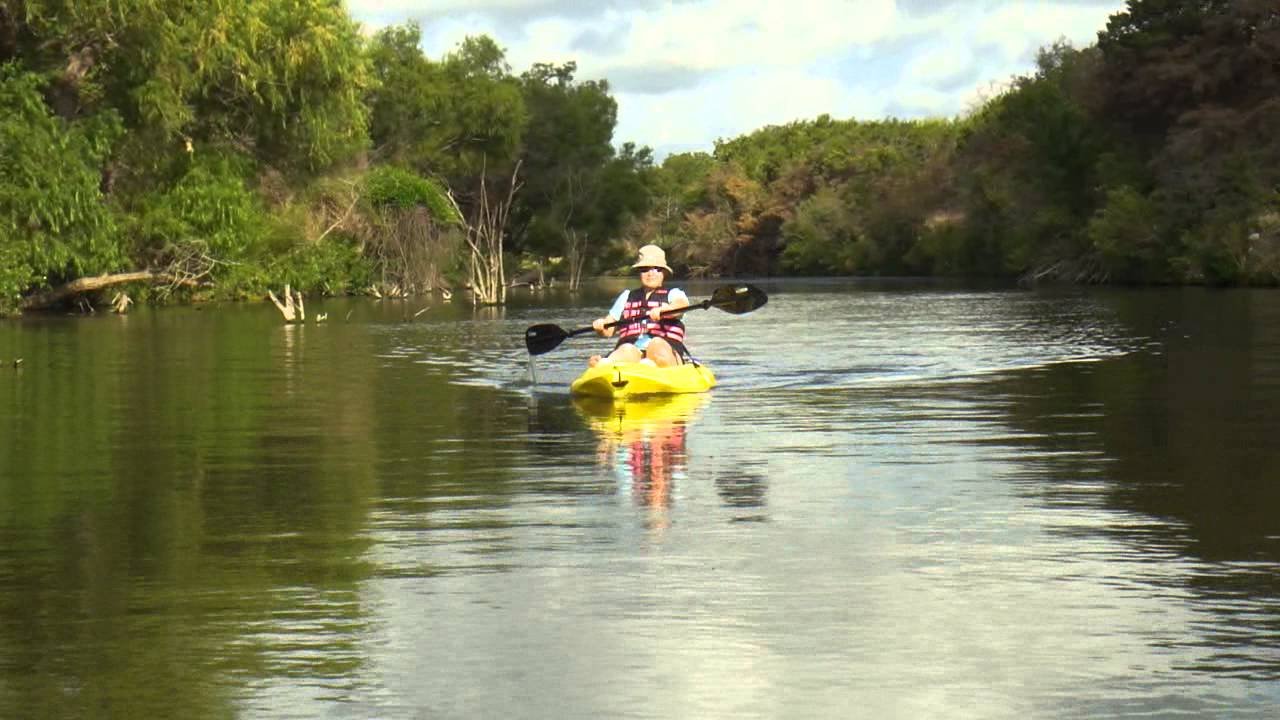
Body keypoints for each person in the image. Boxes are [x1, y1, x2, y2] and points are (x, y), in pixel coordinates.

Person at [588, 244, 690, 368]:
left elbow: (681, 306)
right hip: (633, 351)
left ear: (664, 272)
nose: (651, 273)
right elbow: (608, 330)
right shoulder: (626, 296)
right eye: (645, 269)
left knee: (656, 344)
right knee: (626, 349)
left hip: (665, 349)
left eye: (657, 269)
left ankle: (653, 365)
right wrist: (601, 326)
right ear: (639, 273)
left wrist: (665, 310)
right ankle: (607, 364)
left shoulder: (674, 293)